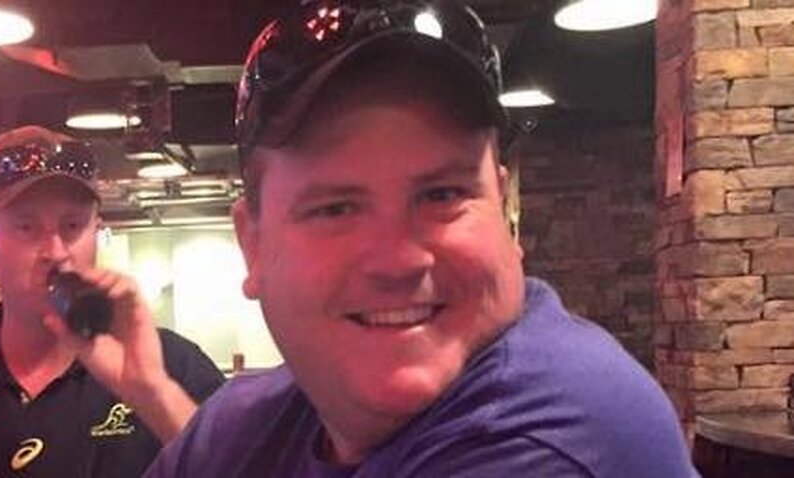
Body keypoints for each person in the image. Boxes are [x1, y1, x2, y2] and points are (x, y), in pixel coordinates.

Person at [146, 1, 699, 476]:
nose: (398, 260)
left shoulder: (550, 439)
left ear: (505, 214)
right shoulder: (249, 420)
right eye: (335, 208)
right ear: (253, 245)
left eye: (442, 195)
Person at [0, 126, 225, 478]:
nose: (56, 252)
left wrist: (153, 394)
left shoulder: (174, 366)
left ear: (97, 232)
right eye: (26, 227)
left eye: (73, 225)